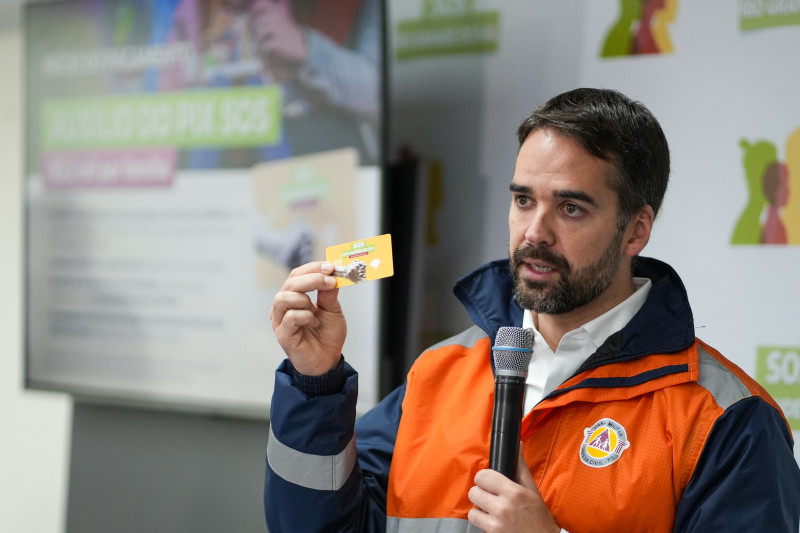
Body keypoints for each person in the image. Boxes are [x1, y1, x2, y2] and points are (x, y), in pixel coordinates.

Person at [264, 88, 800, 532]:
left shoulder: (724, 416)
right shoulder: (437, 373)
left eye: (570, 207)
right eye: (524, 200)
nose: (534, 234)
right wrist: (316, 384)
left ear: (636, 229)